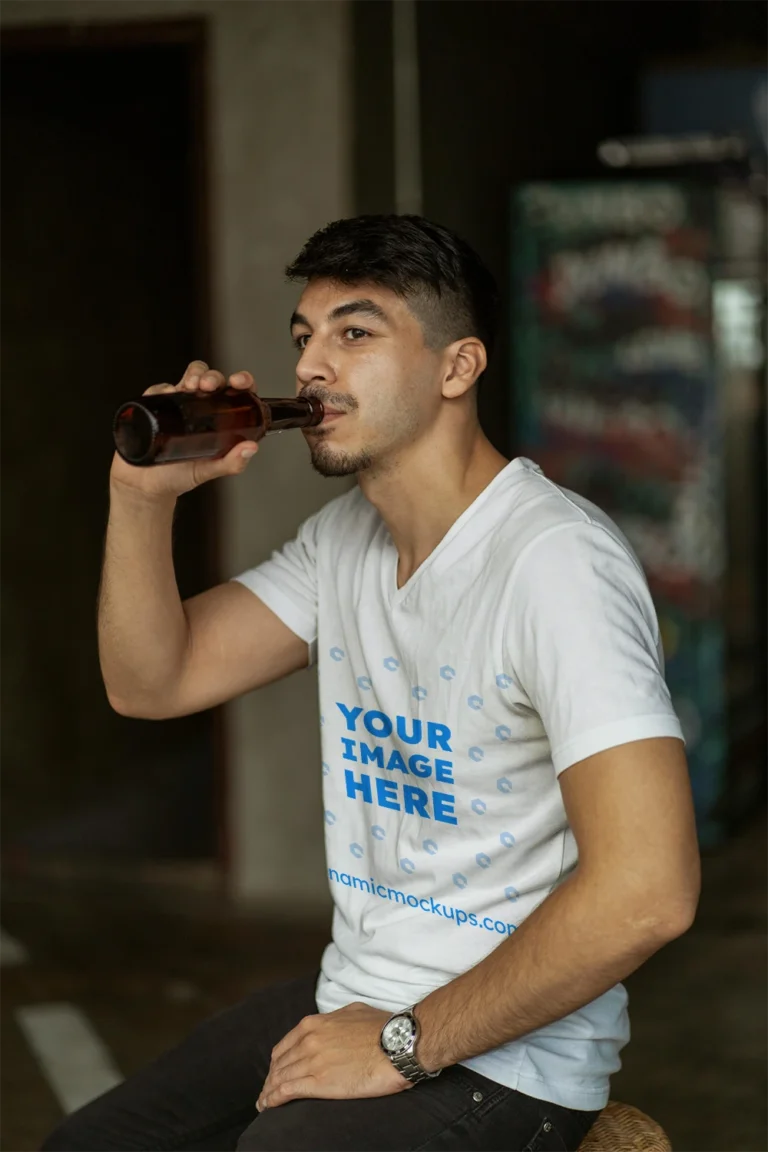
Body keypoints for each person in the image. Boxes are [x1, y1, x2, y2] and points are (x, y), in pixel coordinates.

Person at [48, 215, 700, 1152]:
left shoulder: (555, 567)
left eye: (355, 333)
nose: (313, 366)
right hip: (353, 993)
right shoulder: (342, 543)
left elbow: (649, 890)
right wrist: (141, 499)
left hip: (505, 1063)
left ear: (457, 367)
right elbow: (153, 682)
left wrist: (403, 1045)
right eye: (303, 337)